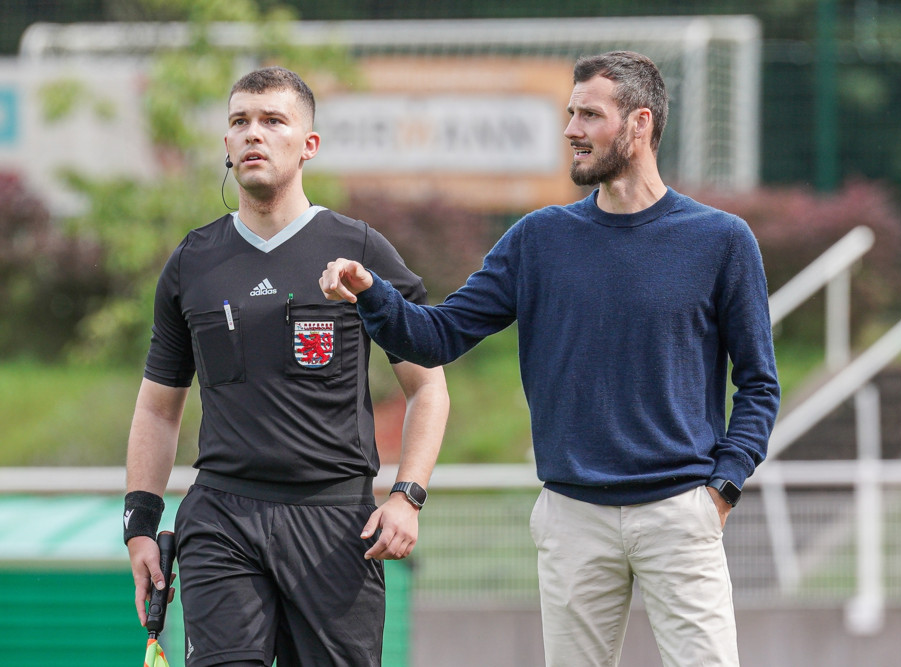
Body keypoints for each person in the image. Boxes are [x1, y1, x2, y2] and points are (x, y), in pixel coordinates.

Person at [319, 51, 780, 666]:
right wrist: (372, 293)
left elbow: (759, 385)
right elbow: (438, 337)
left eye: (589, 115)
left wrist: (722, 487)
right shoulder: (539, 240)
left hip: (681, 513)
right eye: (570, 113)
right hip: (572, 518)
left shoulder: (721, 241)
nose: (570, 130)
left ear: (639, 124)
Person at [123, 66, 449, 667]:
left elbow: (428, 387)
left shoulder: (361, 250)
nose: (255, 134)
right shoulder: (192, 262)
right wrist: (140, 520)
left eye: (274, 121)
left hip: (334, 524)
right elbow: (157, 406)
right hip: (221, 515)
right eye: (240, 122)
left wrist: (407, 495)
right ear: (225, 143)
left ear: (308, 145)